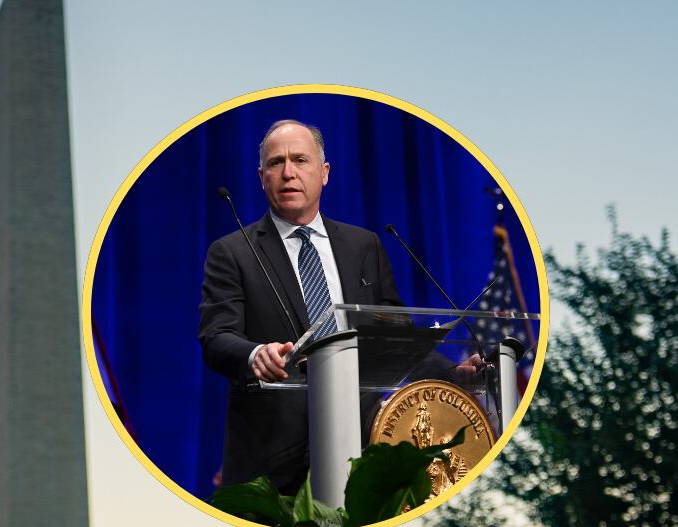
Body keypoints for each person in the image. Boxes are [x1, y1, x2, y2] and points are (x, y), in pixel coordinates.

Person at [198, 118, 484, 494]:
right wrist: (254, 355)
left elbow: (394, 336)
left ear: (324, 173)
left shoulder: (363, 246)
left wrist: (452, 374)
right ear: (262, 176)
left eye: (300, 160)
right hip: (272, 464)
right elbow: (216, 337)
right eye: (276, 163)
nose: (288, 173)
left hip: (364, 448)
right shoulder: (232, 252)